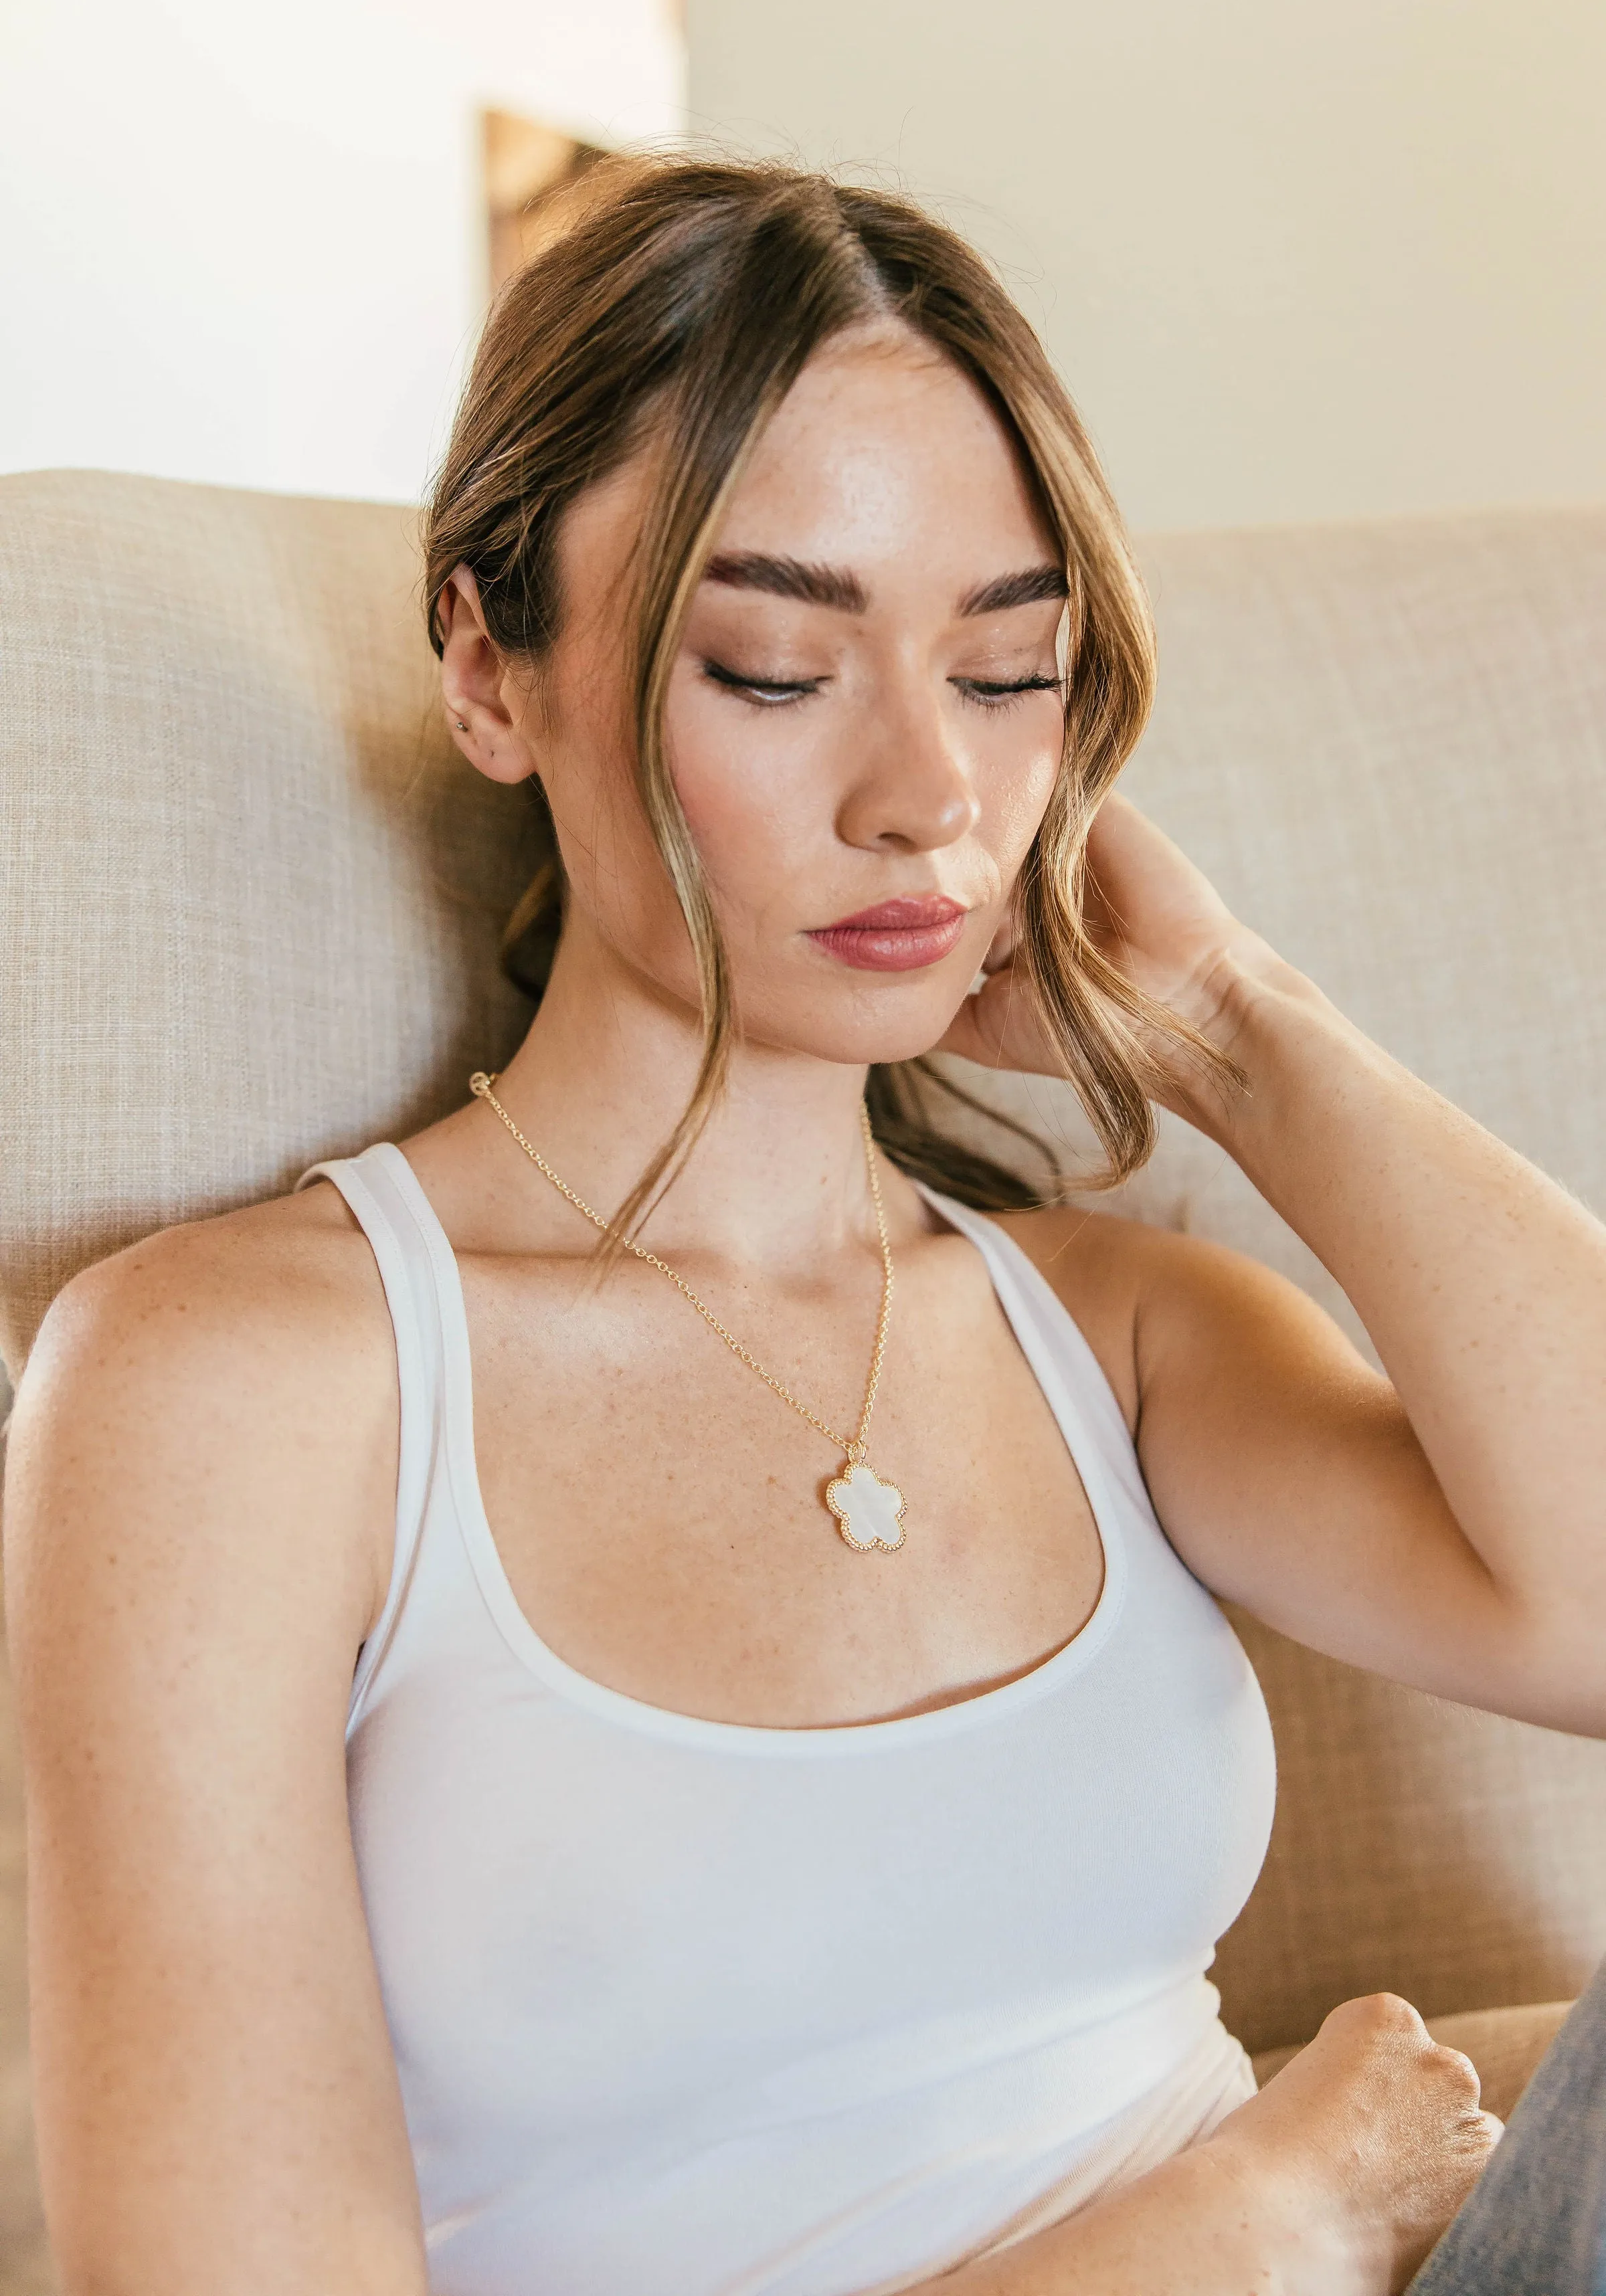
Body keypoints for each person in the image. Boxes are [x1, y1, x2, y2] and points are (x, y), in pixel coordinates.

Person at [5, 153, 1605, 2296]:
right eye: (775, 666)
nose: (927, 796)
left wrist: (1236, 1024)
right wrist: (1243, 2228)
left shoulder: (1101, 1330)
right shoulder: (238, 1386)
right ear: (489, 668)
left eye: (1010, 671)